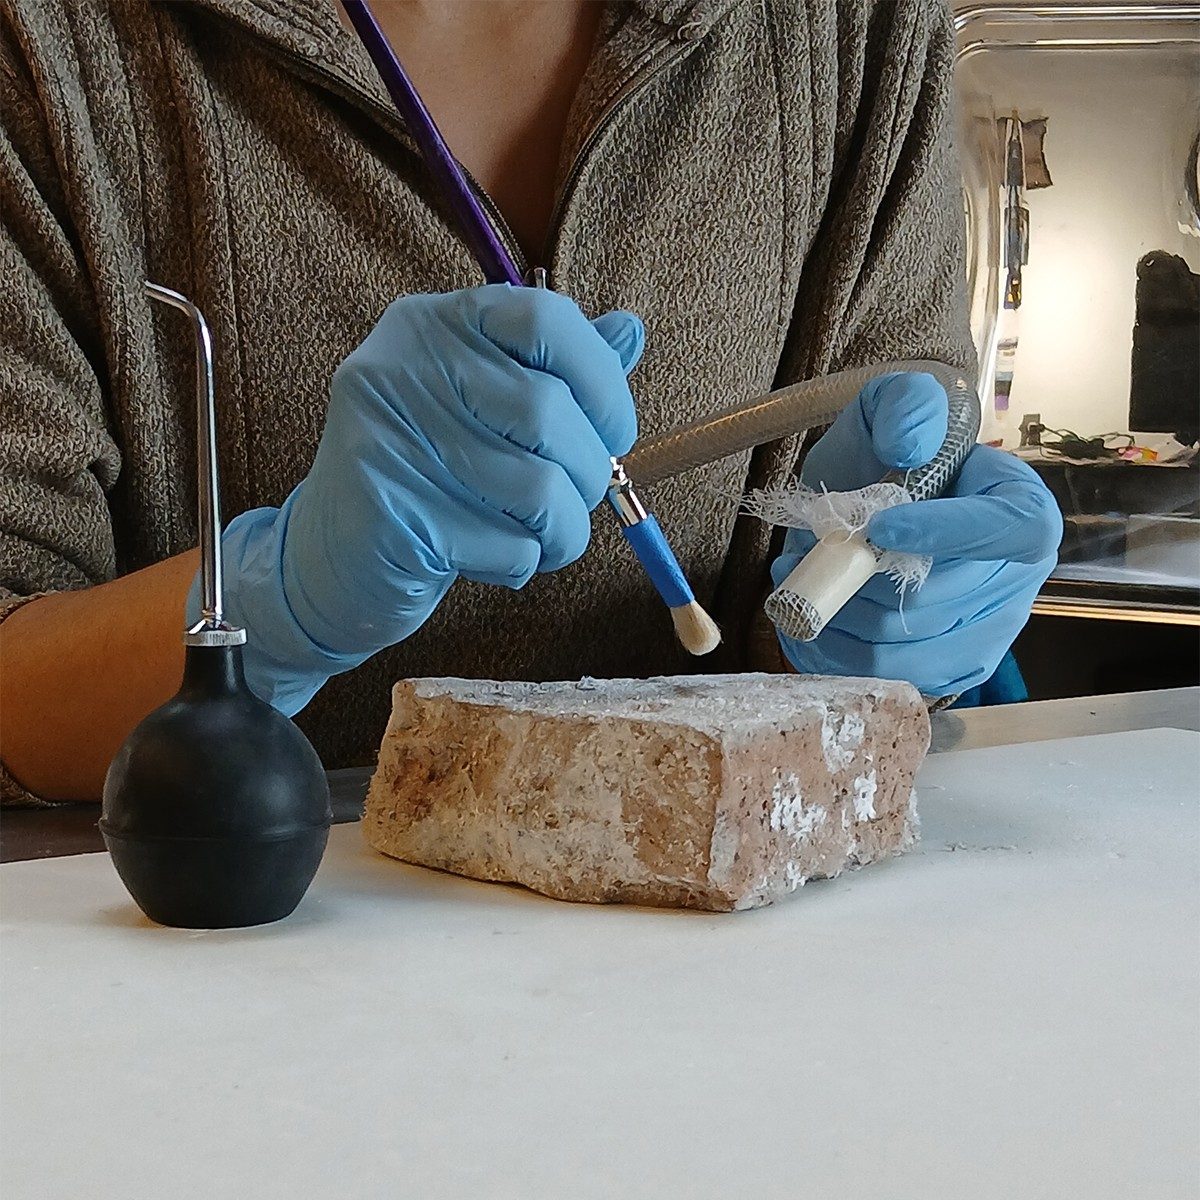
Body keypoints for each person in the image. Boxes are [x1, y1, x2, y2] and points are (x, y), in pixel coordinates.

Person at [0, 0, 1061, 804]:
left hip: (732, 979)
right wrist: (276, 605)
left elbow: (919, 429)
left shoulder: (859, 27)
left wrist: (877, 604)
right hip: (225, 978)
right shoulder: (50, 48)